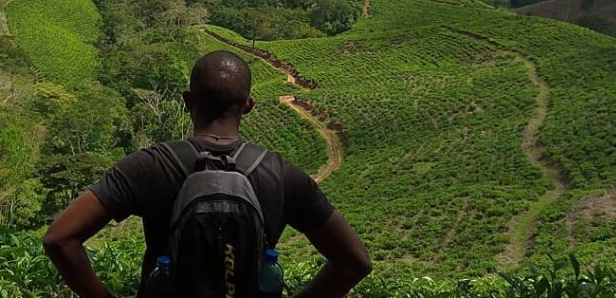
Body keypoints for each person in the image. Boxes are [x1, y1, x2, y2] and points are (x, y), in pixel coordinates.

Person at [43, 50, 371, 297]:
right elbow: (355, 261)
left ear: (188, 101)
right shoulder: (282, 174)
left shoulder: (148, 166)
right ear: (249, 105)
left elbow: (60, 239)